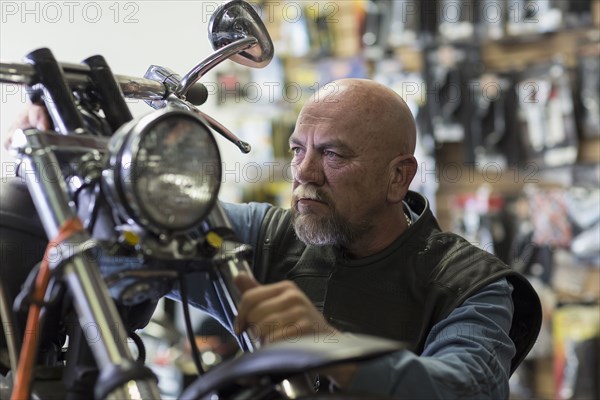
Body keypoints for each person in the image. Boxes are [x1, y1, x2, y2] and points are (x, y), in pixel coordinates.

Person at [7, 79, 541, 399]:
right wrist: (65, 146)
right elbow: (154, 214)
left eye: (333, 154)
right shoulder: (263, 239)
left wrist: (330, 348)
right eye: (297, 150)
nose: (304, 173)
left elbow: (460, 388)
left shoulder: (471, 284)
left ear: (398, 177)